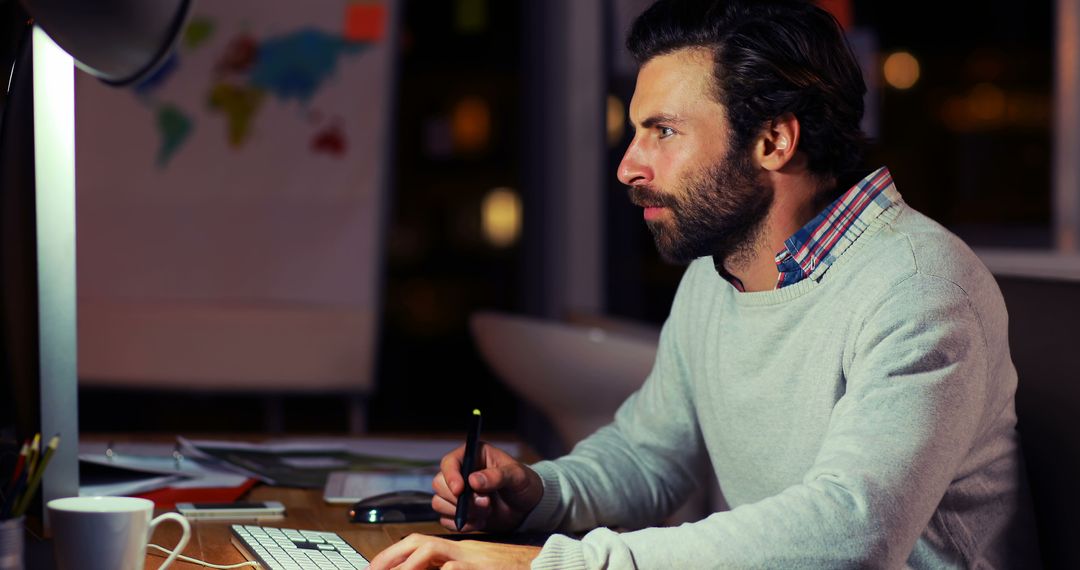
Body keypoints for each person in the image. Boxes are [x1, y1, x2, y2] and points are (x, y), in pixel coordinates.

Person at [370, 0, 1040, 567]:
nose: (629, 167)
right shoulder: (715, 276)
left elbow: (853, 530)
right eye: (637, 131)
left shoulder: (918, 287)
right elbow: (651, 454)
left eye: (663, 132)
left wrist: (555, 561)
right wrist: (543, 495)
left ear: (774, 141)